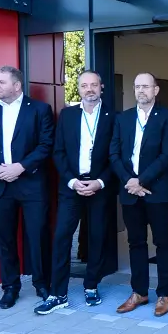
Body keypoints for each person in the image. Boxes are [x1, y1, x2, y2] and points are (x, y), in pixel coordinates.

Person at [0, 65, 54, 309]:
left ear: (16, 85)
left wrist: (21, 167)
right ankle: (10, 287)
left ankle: (42, 283)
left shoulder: (39, 110)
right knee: (4, 238)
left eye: (1, 82)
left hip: (31, 184)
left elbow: (46, 144)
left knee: (38, 236)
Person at [35, 70, 117, 315]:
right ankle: (58, 293)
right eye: (84, 85)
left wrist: (100, 182)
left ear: (101, 87)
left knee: (97, 238)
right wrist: (71, 181)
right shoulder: (67, 115)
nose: (89, 89)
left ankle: (91, 285)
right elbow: (58, 152)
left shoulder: (114, 117)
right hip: (71, 187)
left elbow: (116, 155)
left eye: (94, 84)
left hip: (99, 187)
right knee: (62, 237)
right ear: (79, 89)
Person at [109, 73, 168, 315]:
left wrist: (141, 180)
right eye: (137, 86)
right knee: (136, 242)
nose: (141, 90)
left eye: (146, 86)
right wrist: (129, 181)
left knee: (163, 242)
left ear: (155, 90)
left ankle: (164, 294)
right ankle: (139, 292)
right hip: (130, 191)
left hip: (156, 190)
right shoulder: (123, 118)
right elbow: (114, 154)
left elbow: (167, 155)